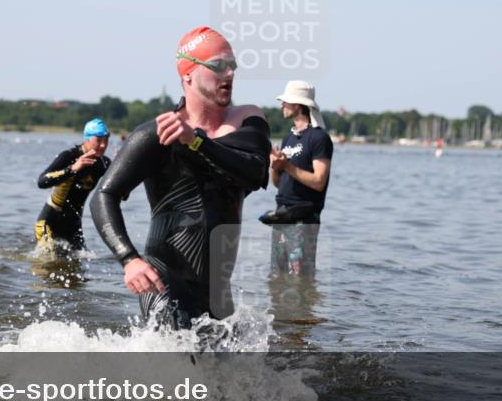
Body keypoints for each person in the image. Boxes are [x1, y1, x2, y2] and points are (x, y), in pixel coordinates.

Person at [90, 26, 271, 329]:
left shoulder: (248, 121)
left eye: (232, 65)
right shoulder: (156, 135)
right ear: (187, 74)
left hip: (216, 291)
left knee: (223, 375)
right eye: (217, 66)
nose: (228, 74)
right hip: (163, 280)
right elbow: (103, 196)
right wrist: (129, 260)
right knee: (179, 370)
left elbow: (255, 173)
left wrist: (196, 141)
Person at [261, 80, 333, 277]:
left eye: (286, 101)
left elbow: (319, 182)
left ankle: (304, 308)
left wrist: (287, 166)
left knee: (301, 278)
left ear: (299, 105)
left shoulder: (319, 138)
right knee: (277, 277)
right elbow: (278, 183)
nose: (282, 105)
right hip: (282, 216)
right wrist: (275, 167)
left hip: (304, 220)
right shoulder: (288, 138)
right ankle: (280, 309)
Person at [35, 118, 111, 254]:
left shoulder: (104, 164)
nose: (103, 145)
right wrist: (73, 169)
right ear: (87, 139)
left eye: (106, 140)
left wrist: (123, 167)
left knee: (79, 266)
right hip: (49, 222)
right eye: (99, 140)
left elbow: (122, 194)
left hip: (74, 225)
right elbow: (42, 181)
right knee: (48, 263)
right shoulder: (69, 156)